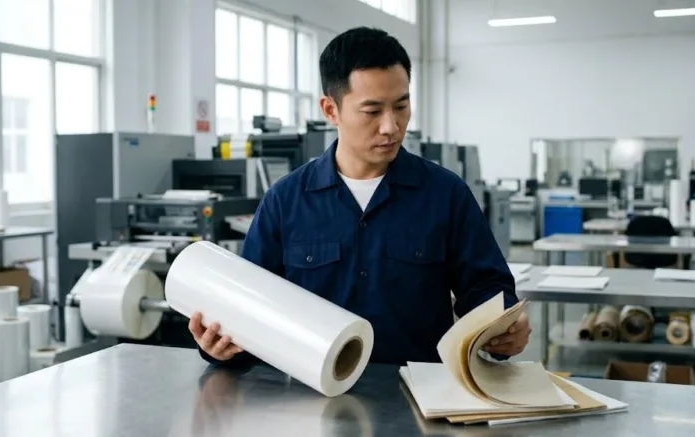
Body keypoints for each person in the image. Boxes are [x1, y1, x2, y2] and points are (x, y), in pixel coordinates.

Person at [189, 26, 530, 366]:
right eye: (372, 111)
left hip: (421, 398)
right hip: (309, 402)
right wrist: (218, 346)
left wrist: (503, 328)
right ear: (330, 109)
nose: (391, 127)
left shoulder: (445, 194)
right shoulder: (285, 201)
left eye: (401, 106)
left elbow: (485, 288)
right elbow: (246, 307)